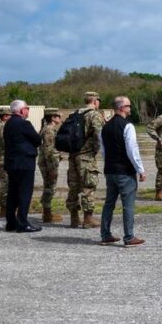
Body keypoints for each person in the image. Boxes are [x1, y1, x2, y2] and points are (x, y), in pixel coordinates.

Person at [98, 96, 146, 247]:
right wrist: (140, 169)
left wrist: (109, 164)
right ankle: (129, 237)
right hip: (124, 171)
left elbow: (103, 150)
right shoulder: (128, 126)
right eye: (128, 105)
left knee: (109, 204)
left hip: (110, 170)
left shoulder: (105, 127)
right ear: (121, 108)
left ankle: (105, 234)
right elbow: (132, 150)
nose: (130, 108)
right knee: (128, 205)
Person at [66, 91, 105, 228]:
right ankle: (88, 219)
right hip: (86, 157)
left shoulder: (75, 114)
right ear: (95, 101)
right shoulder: (94, 115)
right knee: (88, 187)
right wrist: (97, 150)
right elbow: (100, 135)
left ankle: (74, 218)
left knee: (73, 187)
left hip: (72, 156)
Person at [3, 100, 42, 233]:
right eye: (27, 108)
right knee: (25, 193)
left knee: (12, 193)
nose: (28, 111)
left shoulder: (8, 123)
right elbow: (38, 140)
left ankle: (11, 222)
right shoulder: (24, 124)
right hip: (24, 163)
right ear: (21, 111)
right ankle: (22, 223)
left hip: (11, 163)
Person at [38, 108, 64, 223]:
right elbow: (49, 151)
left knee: (48, 186)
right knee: (50, 187)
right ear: (53, 117)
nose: (60, 118)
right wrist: (52, 168)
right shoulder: (49, 129)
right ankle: (47, 214)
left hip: (47, 161)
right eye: (58, 116)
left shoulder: (47, 128)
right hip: (50, 162)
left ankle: (46, 212)